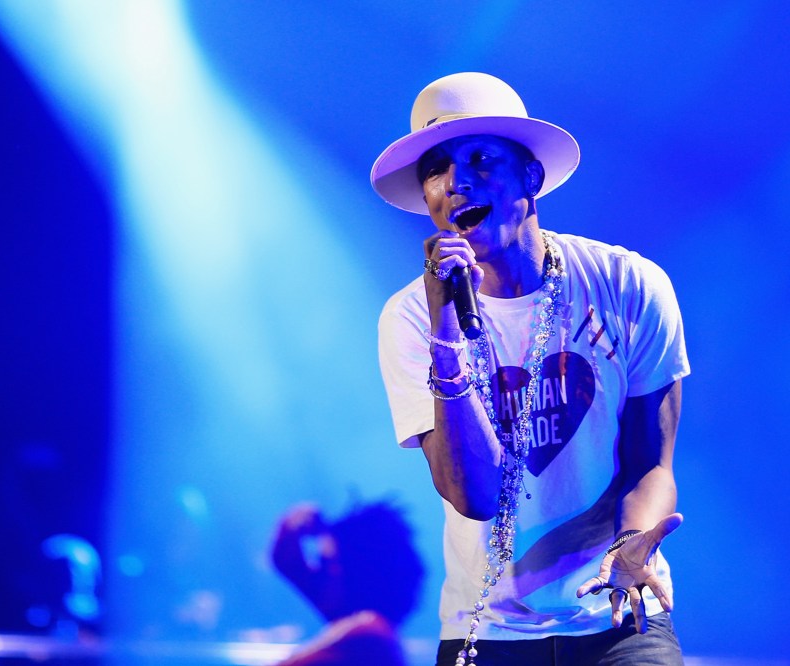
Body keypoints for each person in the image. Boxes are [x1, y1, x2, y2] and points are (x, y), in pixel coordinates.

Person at [371, 72, 689, 666]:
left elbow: (651, 461)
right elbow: (476, 495)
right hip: (485, 629)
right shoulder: (411, 317)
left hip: (617, 614)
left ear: (531, 176)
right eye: (436, 169)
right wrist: (446, 335)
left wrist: (630, 545)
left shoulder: (628, 286)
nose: (456, 181)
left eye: (481, 158)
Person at [270, 500, 425, 666]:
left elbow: (290, 565)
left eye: (326, 563)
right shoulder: (376, 633)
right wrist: (294, 525)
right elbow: (287, 562)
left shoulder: (367, 633)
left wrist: (299, 521)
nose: (318, 574)